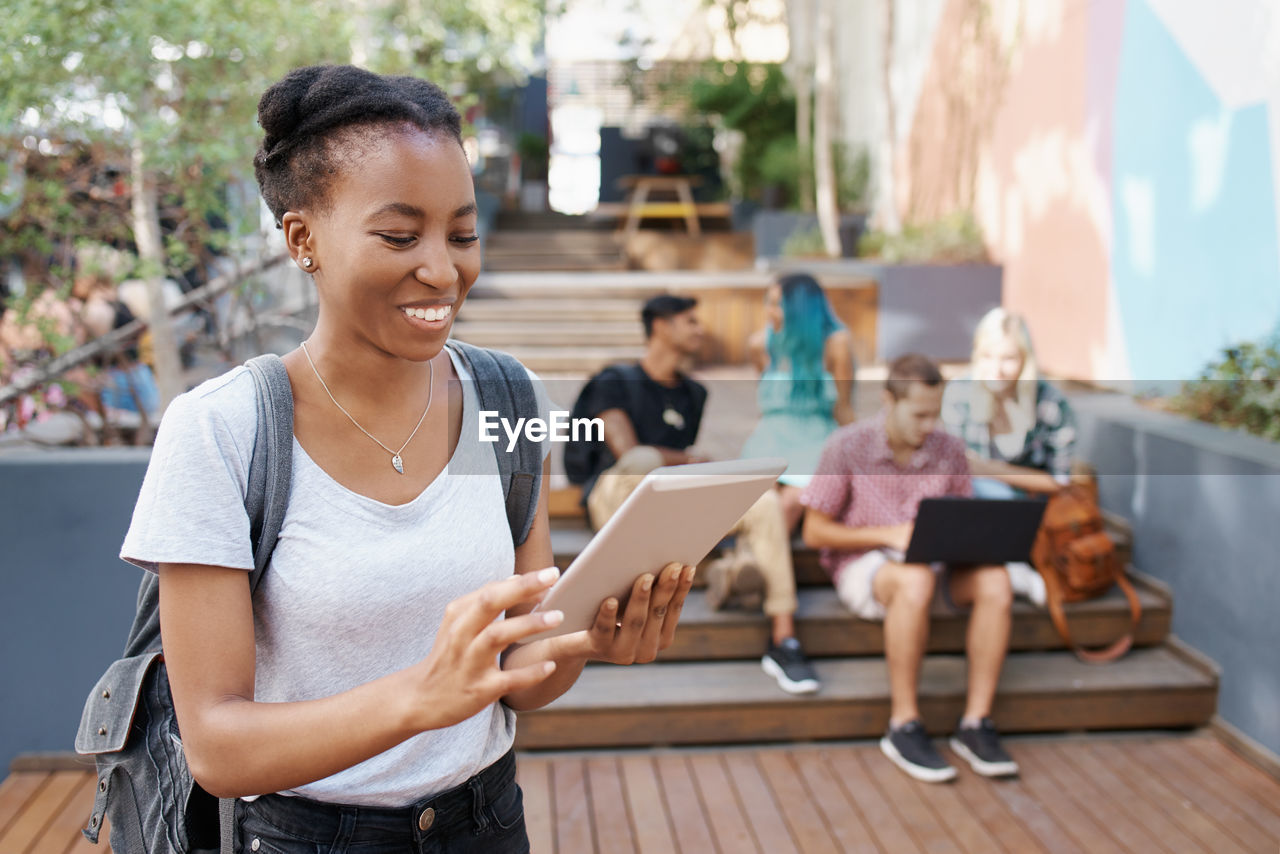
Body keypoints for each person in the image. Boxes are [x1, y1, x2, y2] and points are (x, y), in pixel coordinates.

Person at [121, 65, 694, 853]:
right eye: (399, 236)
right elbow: (218, 747)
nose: (442, 269)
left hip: (484, 821)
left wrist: (587, 640)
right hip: (304, 837)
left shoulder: (508, 397)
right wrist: (421, 695)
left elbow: (522, 672)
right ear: (302, 238)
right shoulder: (222, 431)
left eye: (462, 234)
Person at [564, 294, 820, 694]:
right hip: (615, 494)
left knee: (764, 502)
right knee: (645, 457)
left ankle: (783, 638)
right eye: (690, 322)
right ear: (661, 327)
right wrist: (692, 459)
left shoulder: (694, 395)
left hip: (668, 502)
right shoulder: (614, 381)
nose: (700, 330)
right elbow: (630, 454)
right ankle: (732, 566)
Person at [801, 353, 1019, 782]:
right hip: (868, 567)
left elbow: (962, 516)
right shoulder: (845, 445)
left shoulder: (949, 449)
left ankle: (976, 724)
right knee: (914, 579)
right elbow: (814, 532)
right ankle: (903, 724)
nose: (929, 426)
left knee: (996, 580)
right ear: (888, 400)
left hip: (936, 563)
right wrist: (889, 535)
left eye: (935, 414)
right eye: (919, 414)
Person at [942, 307, 1080, 605]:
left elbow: (1059, 482)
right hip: (973, 504)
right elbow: (955, 468)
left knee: (993, 489)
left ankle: (1010, 566)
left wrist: (989, 468)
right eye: (988, 356)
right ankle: (1005, 570)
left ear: (1025, 359)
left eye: (1009, 358)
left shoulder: (1050, 403)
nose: (997, 368)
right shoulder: (960, 392)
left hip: (1030, 510)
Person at [740, 272, 856, 533]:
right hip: (770, 438)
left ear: (800, 308)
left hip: (815, 441)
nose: (769, 311)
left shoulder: (835, 345)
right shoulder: (761, 344)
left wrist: (858, 455)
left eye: (777, 304)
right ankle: (747, 564)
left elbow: (844, 406)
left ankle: (752, 567)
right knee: (760, 499)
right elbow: (767, 400)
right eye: (767, 303)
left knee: (791, 502)